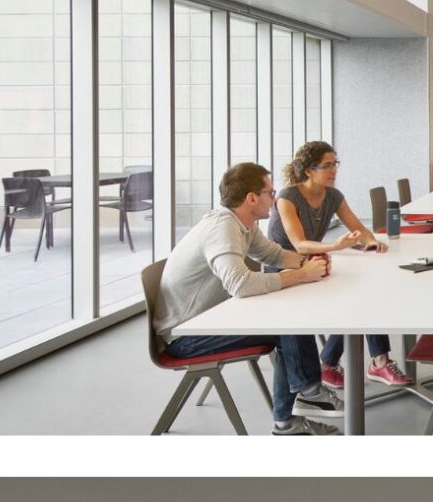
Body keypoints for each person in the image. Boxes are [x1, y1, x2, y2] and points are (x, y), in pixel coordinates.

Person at [152, 161, 339, 434]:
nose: (274, 200)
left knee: (287, 320)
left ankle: (300, 403)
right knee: (285, 326)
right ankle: (306, 396)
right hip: (184, 337)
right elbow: (240, 284)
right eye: (270, 193)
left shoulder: (243, 223)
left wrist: (306, 262)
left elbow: (271, 254)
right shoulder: (222, 228)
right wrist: (301, 275)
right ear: (251, 198)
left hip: (211, 320)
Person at [275, 140, 410, 394]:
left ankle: (373, 361)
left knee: (364, 295)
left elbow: (357, 228)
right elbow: (299, 244)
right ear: (308, 171)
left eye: (335, 163)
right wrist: (334, 247)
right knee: (355, 301)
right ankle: (344, 362)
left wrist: (370, 241)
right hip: (283, 270)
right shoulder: (287, 198)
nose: (333, 170)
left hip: (314, 265)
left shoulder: (334, 196)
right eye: (327, 165)